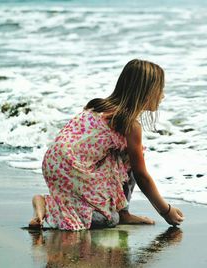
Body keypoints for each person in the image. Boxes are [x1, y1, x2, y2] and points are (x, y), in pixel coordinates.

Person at [28, 59, 184, 230]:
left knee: (124, 154)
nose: (163, 95)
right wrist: (165, 210)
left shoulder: (97, 106)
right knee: (108, 219)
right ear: (146, 92)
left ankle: (119, 212)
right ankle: (49, 205)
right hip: (73, 166)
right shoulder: (130, 125)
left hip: (54, 161)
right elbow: (141, 176)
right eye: (160, 90)